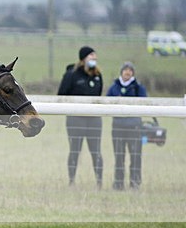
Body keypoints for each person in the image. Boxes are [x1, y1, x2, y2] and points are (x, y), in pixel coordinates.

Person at [58, 46, 104, 187]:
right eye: (91, 56)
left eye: (95, 57)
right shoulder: (72, 74)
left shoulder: (97, 75)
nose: (94, 59)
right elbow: (61, 94)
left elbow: (99, 94)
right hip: (75, 119)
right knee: (75, 150)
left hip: (94, 119)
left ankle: (99, 182)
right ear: (83, 58)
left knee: (96, 151)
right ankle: (71, 181)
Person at [107, 62, 147, 190]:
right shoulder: (114, 87)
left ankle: (135, 183)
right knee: (119, 156)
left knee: (135, 156)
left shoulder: (138, 87)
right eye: (125, 70)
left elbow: (145, 103)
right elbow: (106, 102)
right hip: (118, 126)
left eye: (130, 70)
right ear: (121, 72)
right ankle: (118, 183)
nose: (127, 72)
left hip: (134, 126)